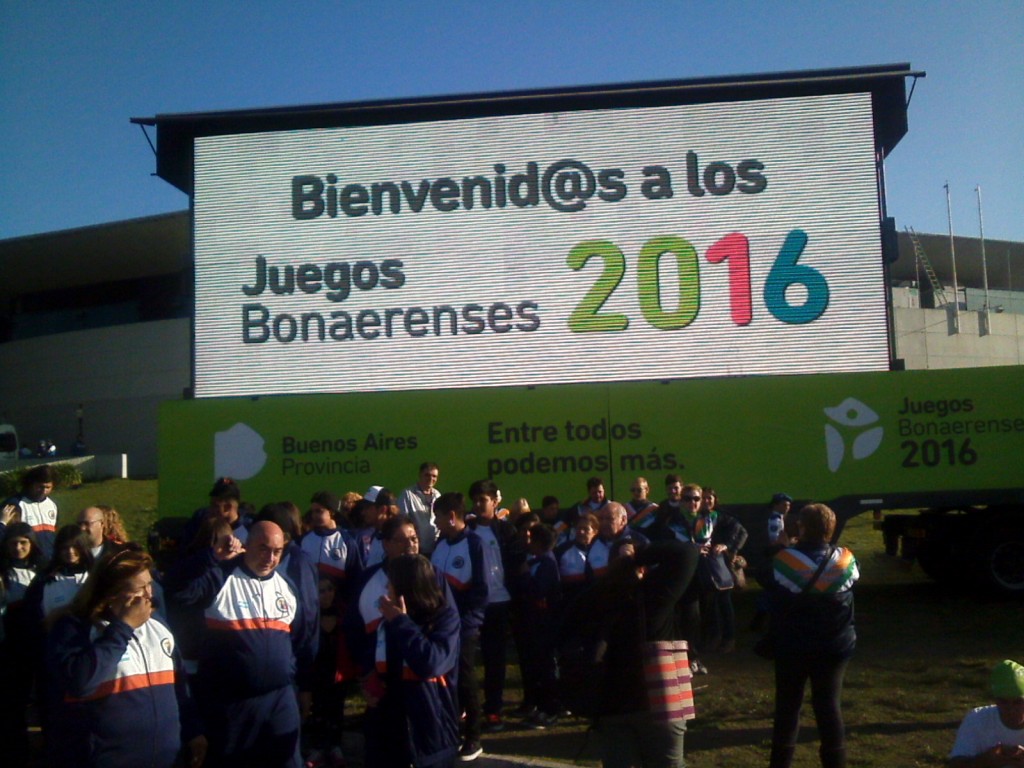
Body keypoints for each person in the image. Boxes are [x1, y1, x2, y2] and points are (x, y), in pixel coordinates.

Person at [165, 520, 317, 768]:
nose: (270, 558)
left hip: (279, 699)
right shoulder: (221, 577)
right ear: (246, 545)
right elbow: (176, 589)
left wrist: (304, 684)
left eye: (277, 551)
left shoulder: (286, 586)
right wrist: (211, 557)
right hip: (230, 703)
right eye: (263, 548)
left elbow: (300, 640)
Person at [46, 546, 205, 768]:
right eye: (140, 588)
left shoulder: (158, 625)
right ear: (112, 593)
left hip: (167, 759)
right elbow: (79, 683)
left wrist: (193, 731)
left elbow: (179, 685)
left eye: (150, 584)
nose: (149, 595)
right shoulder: (75, 628)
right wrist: (123, 627)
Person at [563, 537, 699, 768]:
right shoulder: (655, 594)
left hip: (609, 703)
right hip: (660, 695)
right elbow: (687, 552)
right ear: (643, 568)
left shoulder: (591, 598)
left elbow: (563, 636)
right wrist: (638, 555)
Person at [765, 503, 859, 768]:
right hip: (835, 645)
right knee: (829, 705)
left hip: (793, 645)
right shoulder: (845, 559)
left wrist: (781, 547)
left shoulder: (785, 560)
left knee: (788, 707)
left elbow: (766, 578)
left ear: (802, 528)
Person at [364, 554, 461, 768]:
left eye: (392, 583)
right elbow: (380, 665)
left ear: (408, 587)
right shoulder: (389, 622)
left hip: (430, 736)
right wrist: (371, 684)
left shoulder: (444, 619)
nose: (387, 588)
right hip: (389, 734)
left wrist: (402, 622)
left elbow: (430, 663)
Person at [431, 492, 487, 761]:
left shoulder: (475, 544)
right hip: (439, 626)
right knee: (444, 680)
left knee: (465, 680)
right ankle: (450, 731)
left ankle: (473, 737)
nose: (435, 522)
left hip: (463, 628)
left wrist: (468, 623)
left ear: (452, 517)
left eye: (438, 517)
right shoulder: (440, 544)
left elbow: (482, 590)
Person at [469, 479, 525, 733]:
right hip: (473, 605)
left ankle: (493, 709)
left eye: (483, 500)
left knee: (495, 660)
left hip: (499, 603)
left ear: (494, 502)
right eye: (475, 500)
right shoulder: (467, 530)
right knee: (466, 661)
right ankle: (467, 708)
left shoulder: (506, 531)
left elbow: (518, 564)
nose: (479, 504)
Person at [949, 659, 1024, 767]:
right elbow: (955, 764)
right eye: (1003, 702)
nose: (1011, 709)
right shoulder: (977, 719)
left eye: (1017, 702)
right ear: (995, 700)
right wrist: (983, 761)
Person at [703, 488, 747, 654]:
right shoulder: (697, 517)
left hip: (721, 565)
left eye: (709, 498)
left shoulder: (722, 517)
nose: (706, 501)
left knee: (724, 601)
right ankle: (714, 638)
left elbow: (743, 532)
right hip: (706, 564)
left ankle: (729, 639)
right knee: (710, 604)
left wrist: (729, 548)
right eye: (703, 498)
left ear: (715, 499)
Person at [2, 464, 59, 563]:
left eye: (48, 487)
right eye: (40, 487)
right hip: (27, 564)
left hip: (50, 562)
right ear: (31, 484)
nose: (44, 491)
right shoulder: (15, 505)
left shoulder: (52, 505)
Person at [398, 463, 442, 555]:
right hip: (416, 549)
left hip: (435, 548)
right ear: (420, 475)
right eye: (427, 475)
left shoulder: (438, 495)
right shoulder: (407, 494)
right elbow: (403, 521)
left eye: (434, 476)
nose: (431, 478)